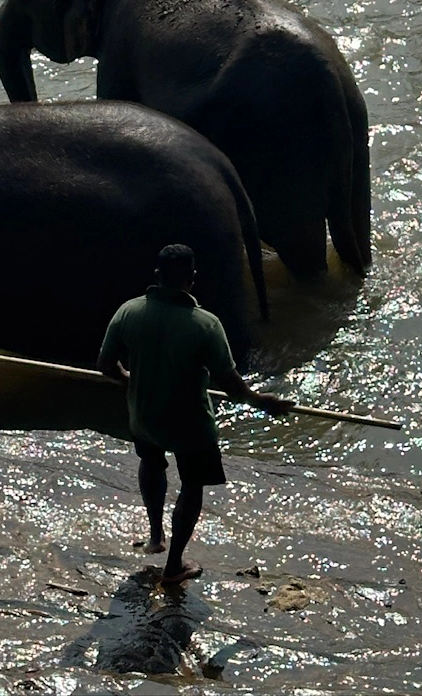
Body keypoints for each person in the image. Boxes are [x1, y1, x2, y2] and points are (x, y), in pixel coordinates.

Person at [99, 243, 289, 583]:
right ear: (193, 278)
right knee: (192, 485)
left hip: (143, 417)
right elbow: (230, 384)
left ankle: (155, 536)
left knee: (151, 463)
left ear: (157, 276)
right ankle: (174, 565)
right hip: (190, 425)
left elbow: (106, 365)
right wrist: (262, 401)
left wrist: (131, 379)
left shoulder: (128, 312)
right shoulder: (206, 324)